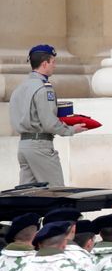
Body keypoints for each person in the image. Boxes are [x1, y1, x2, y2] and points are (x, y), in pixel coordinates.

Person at [9, 45, 88, 187]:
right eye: (53, 62)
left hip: (24, 146)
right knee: (55, 191)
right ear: (44, 64)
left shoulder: (19, 88)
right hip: (41, 147)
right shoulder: (44, 88)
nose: (55, 66)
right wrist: (71, 130)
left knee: (27, 196)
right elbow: (49, 123)